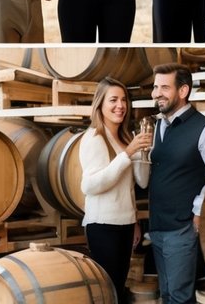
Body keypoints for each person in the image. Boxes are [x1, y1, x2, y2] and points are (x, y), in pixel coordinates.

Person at [148, 62, 205, 304]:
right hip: (157, 224)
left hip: (182, 226)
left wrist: (198, 209)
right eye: (155, 87)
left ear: (183, 91)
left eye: (164, 87)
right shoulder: (158, 125)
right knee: (166, 293)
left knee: (180, 297)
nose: (156, 93)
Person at [79, 77, 152, 304]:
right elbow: (90, 186)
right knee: (108, 290)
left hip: (125, 224)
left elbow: (140, 182)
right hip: (103, 225)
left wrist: (144, 153)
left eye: (123, 100)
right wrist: (128, 154)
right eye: (113, 100)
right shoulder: (94, 138)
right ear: (100, 104)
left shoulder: (124, 137)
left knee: (119, 288)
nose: (120, 105)